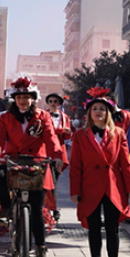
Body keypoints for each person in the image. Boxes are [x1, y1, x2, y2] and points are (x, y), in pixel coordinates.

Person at [0, 75, 64, 257]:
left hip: (36, 164)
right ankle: (6, 206)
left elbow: (51, 138)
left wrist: (57, 156)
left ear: (33, 98)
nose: (23, 100)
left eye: (27, 97)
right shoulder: (5, 117)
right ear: (15, 98)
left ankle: (41, 250)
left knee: (37, 211)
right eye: (20, 97)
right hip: (12, 161)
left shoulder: (43, 116)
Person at [69, 87, 130, 257]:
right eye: (95, 108)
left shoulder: (119, 133)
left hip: (113, 187)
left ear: (109, 113)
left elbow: (126, 163)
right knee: (93, 231)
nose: (98, 111)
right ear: (89, 113)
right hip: (89, 188)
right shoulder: (80, 135)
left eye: (102, 108)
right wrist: (75, 190)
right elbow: (76, 166)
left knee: (113, 229)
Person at [45, 92, 71, 221]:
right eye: (50, 101)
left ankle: (53, 208)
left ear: (59, 103)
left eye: (55, 101)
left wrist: (67, 132)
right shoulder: (42, 115)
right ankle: (48, 208)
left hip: (59, 151)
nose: (53, 103)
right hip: (45, 151)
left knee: (54, 182)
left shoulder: (64, 117)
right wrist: (60, 131)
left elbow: (67, 136)